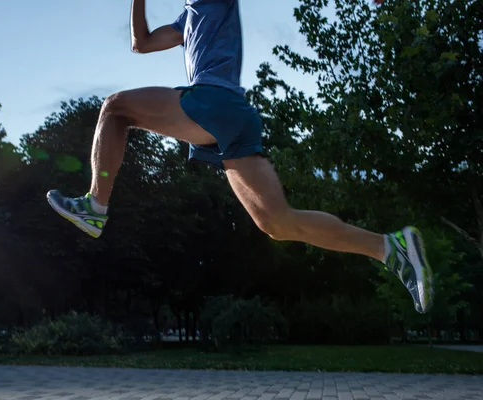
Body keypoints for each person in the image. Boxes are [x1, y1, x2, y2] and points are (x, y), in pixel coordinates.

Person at [47, 0, 434, 313]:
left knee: (115, 108)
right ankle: (388, 247)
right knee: (278, 223)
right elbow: (141, 43)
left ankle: (94, 205)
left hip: (213, 102)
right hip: (232, 119)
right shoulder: (189, 15)